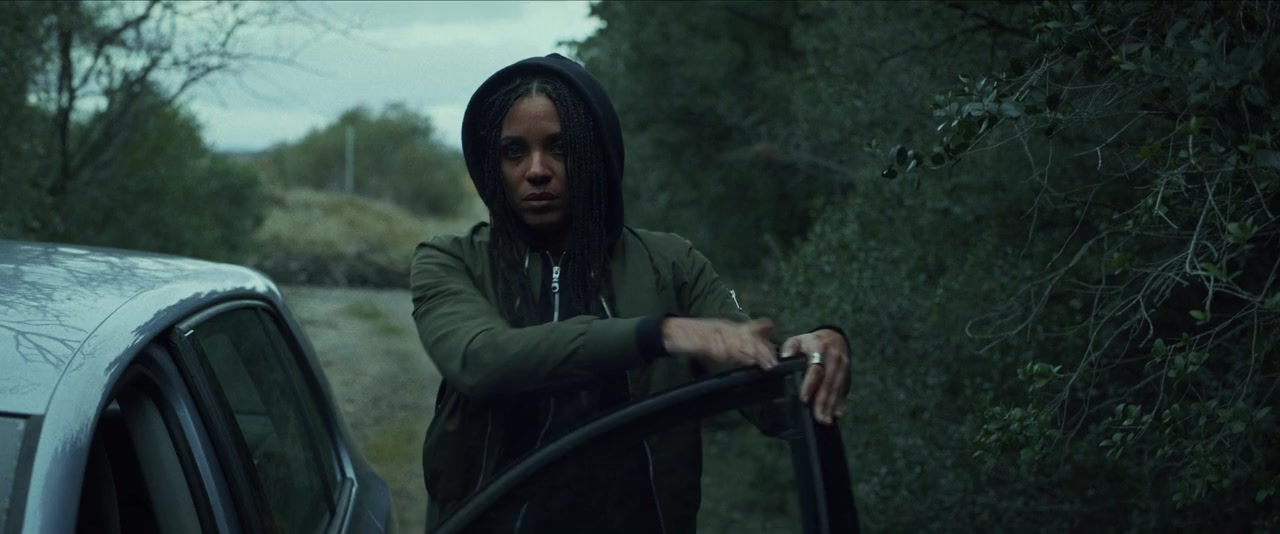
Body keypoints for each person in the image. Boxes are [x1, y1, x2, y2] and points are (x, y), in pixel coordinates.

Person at [411, 53, 850, 533]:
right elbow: (479, 361)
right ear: (491, 165)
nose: (536, 170)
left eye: (561, 148)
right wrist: (659, 335)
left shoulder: (671, 264)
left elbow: (771, 396)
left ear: (597, 154)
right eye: (514, 152)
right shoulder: (450, 259)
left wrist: (816, 353)